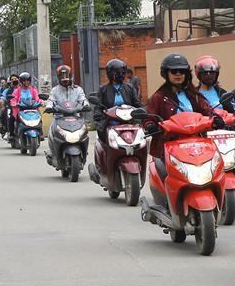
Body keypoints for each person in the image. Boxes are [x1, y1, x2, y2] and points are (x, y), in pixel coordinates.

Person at [145, 53, 221, 194]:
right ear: (166, 73)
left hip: (197, 143)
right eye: (174, 71)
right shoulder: (159, 97)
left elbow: (207, 110)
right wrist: (150, 125)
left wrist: (216, 118)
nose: (178, 74)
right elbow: (149, 116)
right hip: (170, 144)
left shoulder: (193, 95)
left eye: (182, 71)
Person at [95, 59, 140, 142]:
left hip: (129, 124)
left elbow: (137, 105)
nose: (121, 75)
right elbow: (98, 107)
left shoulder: (129, 88)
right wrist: (98, 116)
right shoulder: (103, 89)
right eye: (118, 73)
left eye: (123, 73)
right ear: (110, 73)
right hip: (110, 124)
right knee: (105, 144)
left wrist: (141, 113)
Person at [9, 72, 42, 139]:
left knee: (39, 118)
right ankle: (12, 134)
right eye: (24, 80)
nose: (26, 82)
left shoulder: (33, 90)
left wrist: (41, 102)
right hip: (21, 110)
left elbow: (37, 98)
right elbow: (13, 99)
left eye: (28, 80)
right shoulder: (17, 91)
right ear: (21, 81)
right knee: (11, 118)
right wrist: (14, 103)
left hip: (32, 109)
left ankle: (40, 132)